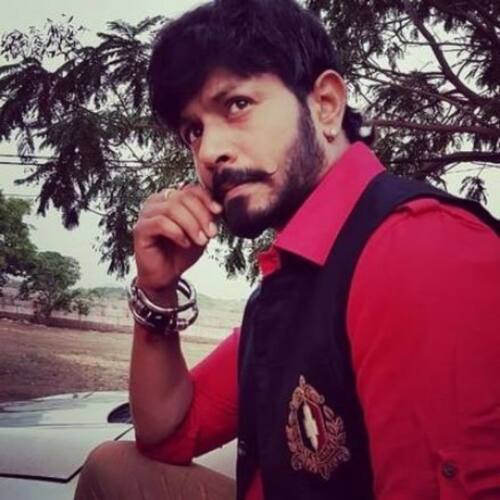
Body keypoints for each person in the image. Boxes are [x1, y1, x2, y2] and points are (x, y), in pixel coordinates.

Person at [75, 0, 500, 499]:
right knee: (110, 467)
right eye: (194, 130)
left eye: (237, 104)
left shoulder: (417, 247)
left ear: (326, 104)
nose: (208, 152)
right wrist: (157, 290)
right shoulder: (293, 279)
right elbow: (166, 433)